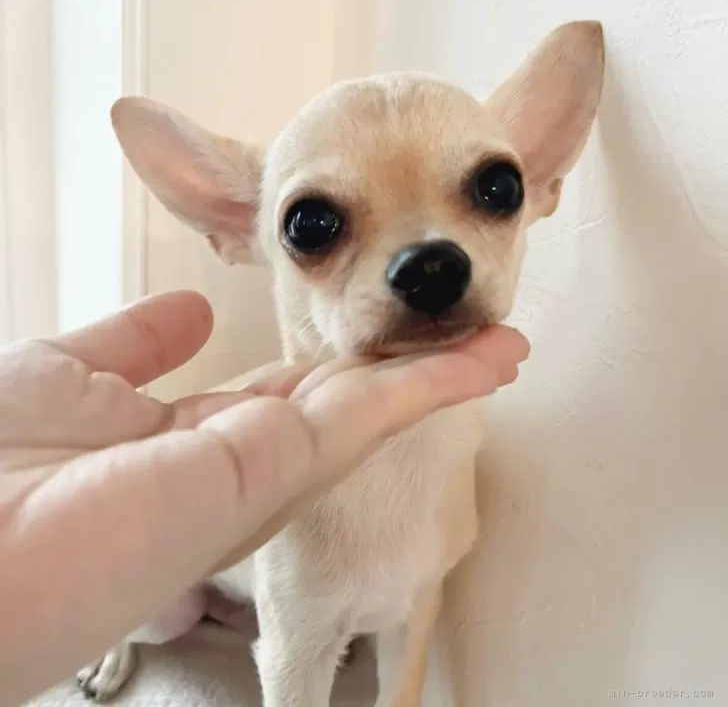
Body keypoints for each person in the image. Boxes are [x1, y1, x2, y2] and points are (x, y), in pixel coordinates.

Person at [0, 289, 529, 704]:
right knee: (163, 622)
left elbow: (421, 600)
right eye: (315, 227)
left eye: (493, 193)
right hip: (191, 587)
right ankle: (120, 636)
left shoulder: (457, 498)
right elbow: (288, 665)